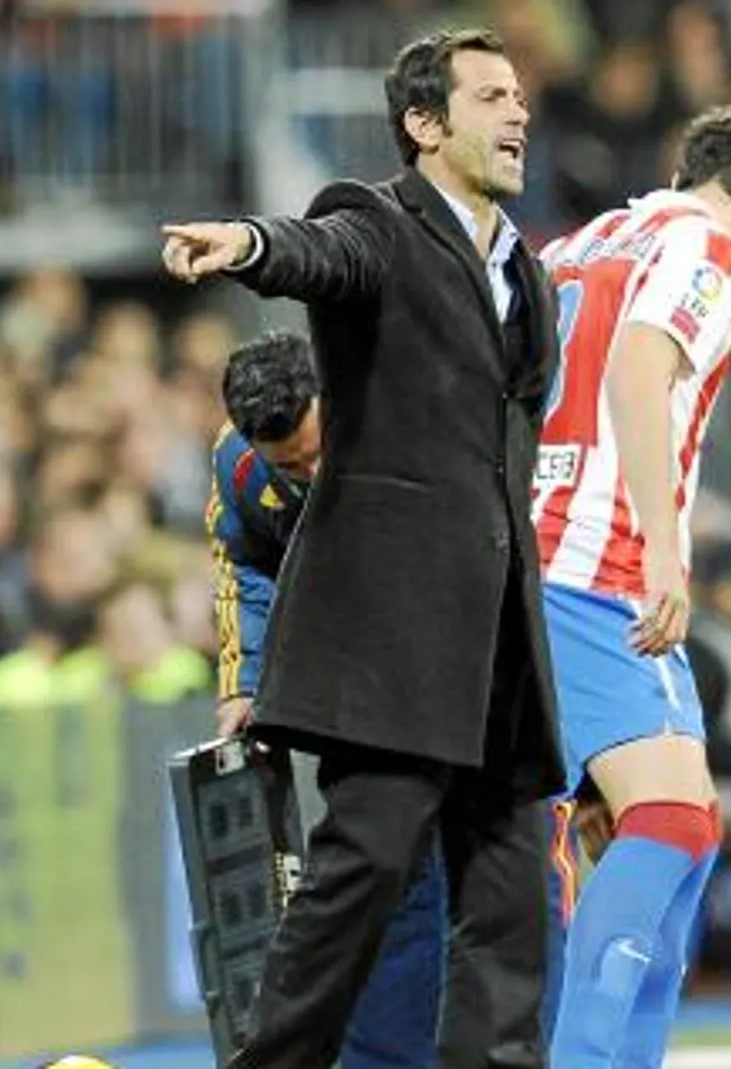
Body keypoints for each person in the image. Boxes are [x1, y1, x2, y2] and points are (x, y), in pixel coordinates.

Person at [160, 27, 563, 1069]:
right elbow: (316, 253)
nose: (518, 113)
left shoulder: (526, 270)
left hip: (498, 638)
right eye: (489, 97)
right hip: (390, 632)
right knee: (362, 871)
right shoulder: (375, 222)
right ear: (425, 125)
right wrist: (247, 244)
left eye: (518, 94)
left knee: (510, 887)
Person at [531, 102, 731, 1069]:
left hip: (531, 550)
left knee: (687, 820)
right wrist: (660, 550)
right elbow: (640, 368)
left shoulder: (587, 237)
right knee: (671, 818)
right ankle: (587, 1060)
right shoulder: (715, 248)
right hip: (598, 559)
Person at [205, 329, 449, 1069]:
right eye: (292, 466)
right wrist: (244, 687)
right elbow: (244, 571)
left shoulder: (404, 416)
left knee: (460, 874)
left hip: (449, 658)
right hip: (355, 680)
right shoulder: (238, 466)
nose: (311, 472)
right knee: (388, 873)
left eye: (317, 451)